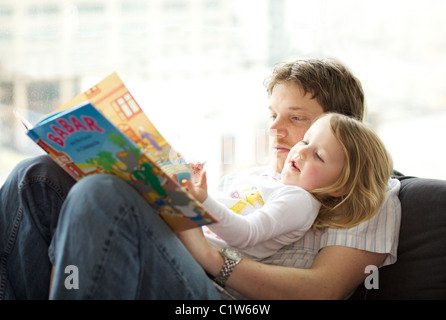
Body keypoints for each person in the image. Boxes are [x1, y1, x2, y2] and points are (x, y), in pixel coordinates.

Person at [0, 58, 401, 300]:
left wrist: (211, 257)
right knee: (35, 176)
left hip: (221, 292)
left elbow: (323, 290)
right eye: (272, 115)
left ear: (345, 131)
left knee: (100, 192)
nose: (276, 130)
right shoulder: (255, 178)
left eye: (296, 119)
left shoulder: (369, 192)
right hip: (178, 260)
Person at [186, 113, 393, 265]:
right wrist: (194, 186)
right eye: (305, 140)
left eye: (318, 155)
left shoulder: (299, 201)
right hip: (190, 238)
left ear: (340, 187)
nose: (301, 151)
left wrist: (203, 201)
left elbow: (245, 233)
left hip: (198, 263)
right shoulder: (273, 181)